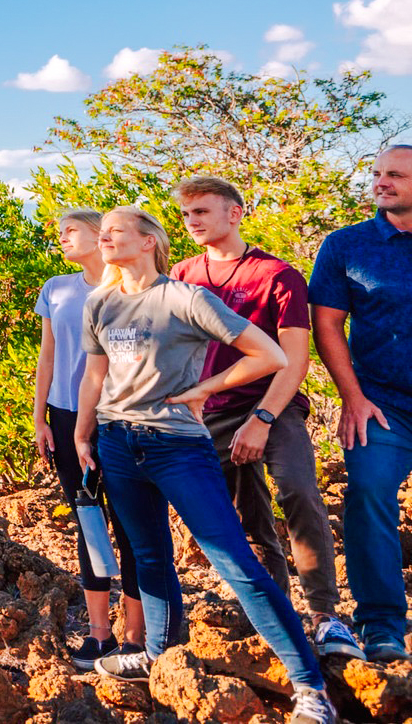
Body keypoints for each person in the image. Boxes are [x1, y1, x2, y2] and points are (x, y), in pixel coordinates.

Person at [75, 207, 338, 724]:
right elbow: (93, 375)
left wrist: (204, 389)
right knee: (148, 557)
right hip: (116, 443)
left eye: (117, 230)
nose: (104, 236)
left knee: (234, 560)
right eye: (101, 231)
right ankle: (158, 652)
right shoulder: (99, 302)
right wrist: (83, 435)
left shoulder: (184, 297)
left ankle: (310, 686)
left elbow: (268, 355)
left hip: (177, 445)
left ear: (149, 241)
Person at [173, 175, 364, 661]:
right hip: (208, 411)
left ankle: (326, 616)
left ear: (234, 214)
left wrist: (261, 418)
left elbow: (295, 358)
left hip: (272, 405)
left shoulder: (277, 275)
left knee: (299, 491)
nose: (193, 222)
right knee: (245, 515)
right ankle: (276, 615)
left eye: (203, 212)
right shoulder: (182, 274)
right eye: (187, 214)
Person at [311, 144, 412, 664]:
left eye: (394, 175)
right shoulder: (346, 245)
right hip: (382, 404)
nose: (381, 182)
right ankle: (383, 628)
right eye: (377, 174)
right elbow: (326, 324)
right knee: (369, 494)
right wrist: (353, 398)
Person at [33, 207, 144, 670]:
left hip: (117, 419)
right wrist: (39, 418)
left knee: (132, 524)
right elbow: (48, 355)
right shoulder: (56, 289)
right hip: (63, 418)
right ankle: (99, 634)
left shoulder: (128, 288)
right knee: (89, 521)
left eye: (70, 230)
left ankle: (136, 636)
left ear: (100, 234)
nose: (62, 238)